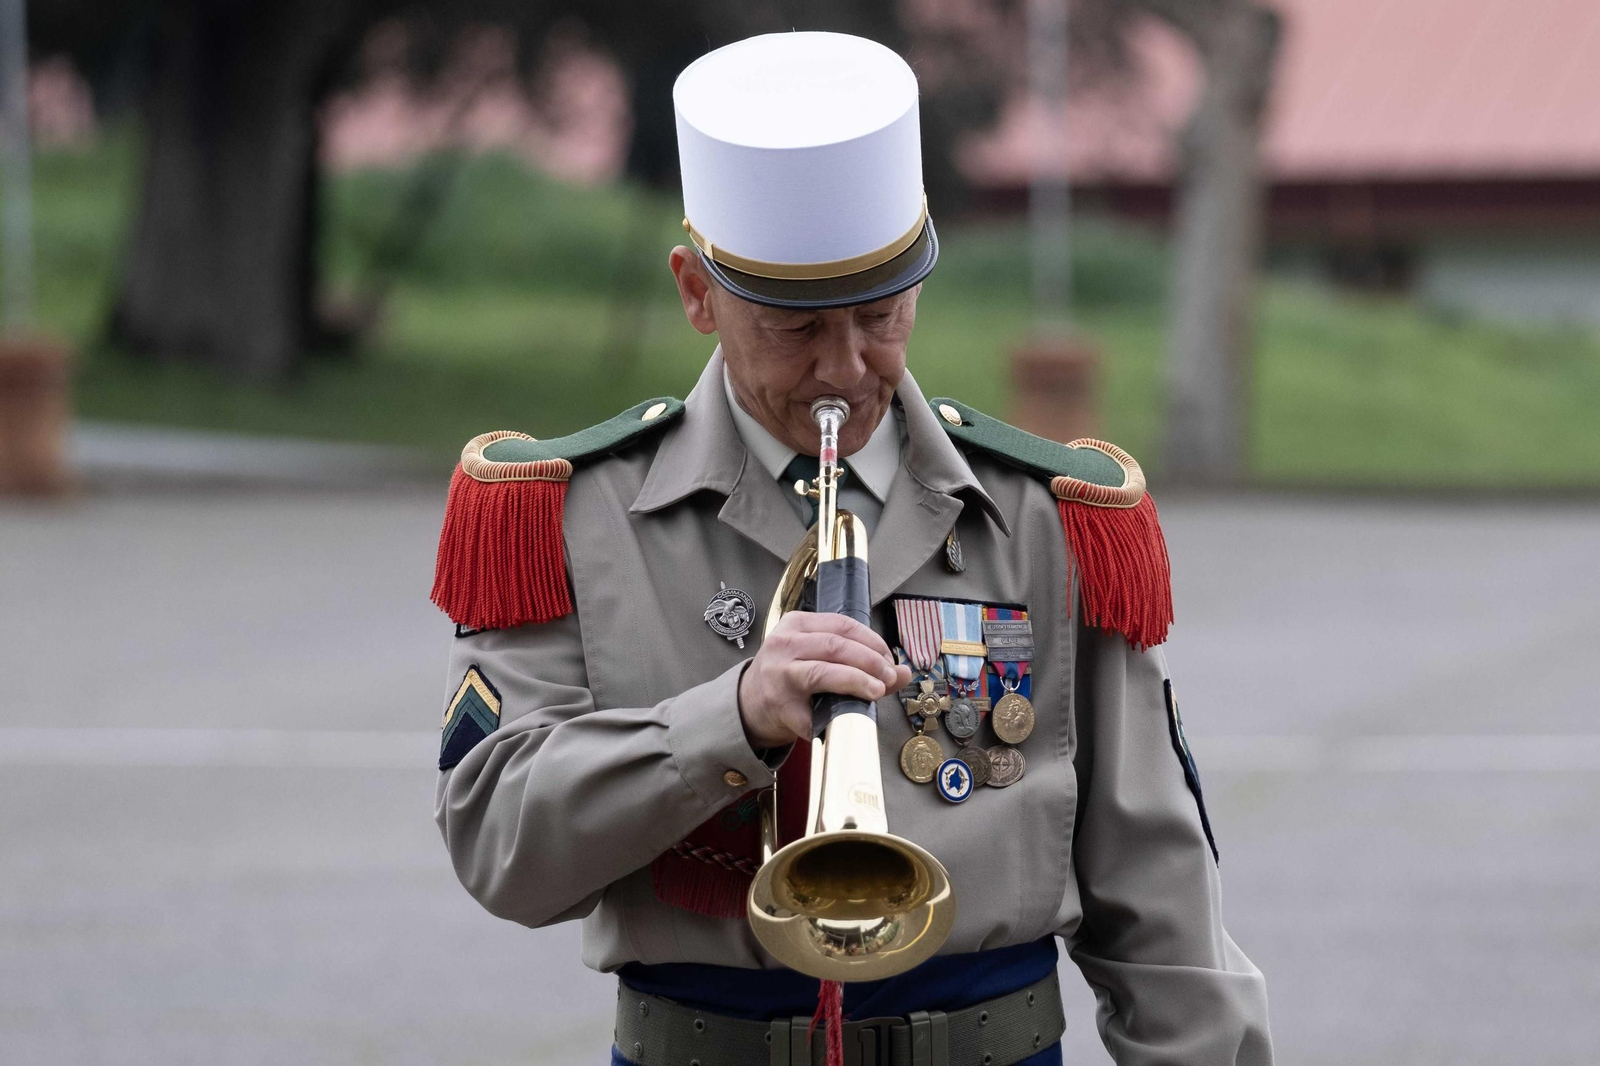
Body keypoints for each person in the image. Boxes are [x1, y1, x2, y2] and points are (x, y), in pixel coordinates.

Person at [430, 30, 1271, 1066]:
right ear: (696, 292)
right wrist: (728, 721)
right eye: (792, 328)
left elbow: (1162, 902)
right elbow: (502, 848)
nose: (844, 369)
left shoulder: (1048, 517)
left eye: (879, 316)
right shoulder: (569, 512)